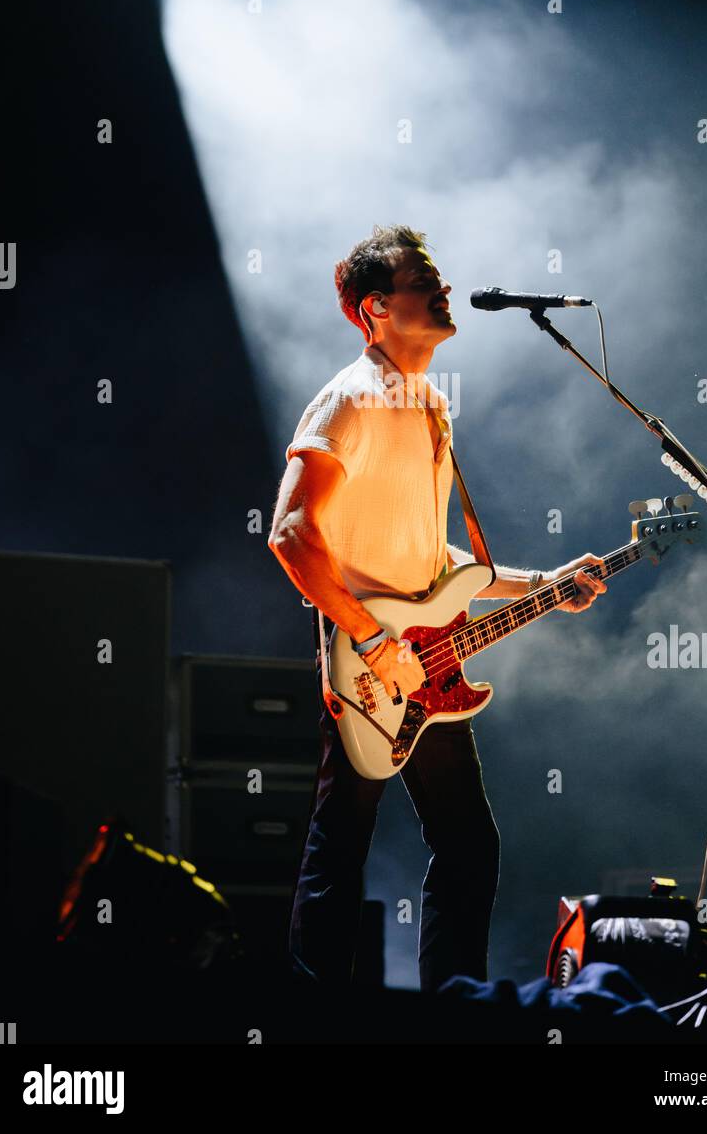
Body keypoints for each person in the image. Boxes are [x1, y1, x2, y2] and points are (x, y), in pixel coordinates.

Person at [267, 224, 607, 990]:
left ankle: (452, 1014)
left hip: (426, 668)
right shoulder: (349, 399)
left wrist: (545, 582)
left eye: (439, 278)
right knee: (342, 845)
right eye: (424, 281)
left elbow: (437, 564)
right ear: (376, 309)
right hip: (371, 663)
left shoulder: (429, 406)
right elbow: (291, 535)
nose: (445, 289)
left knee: (465, 848)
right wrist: (370, 639)